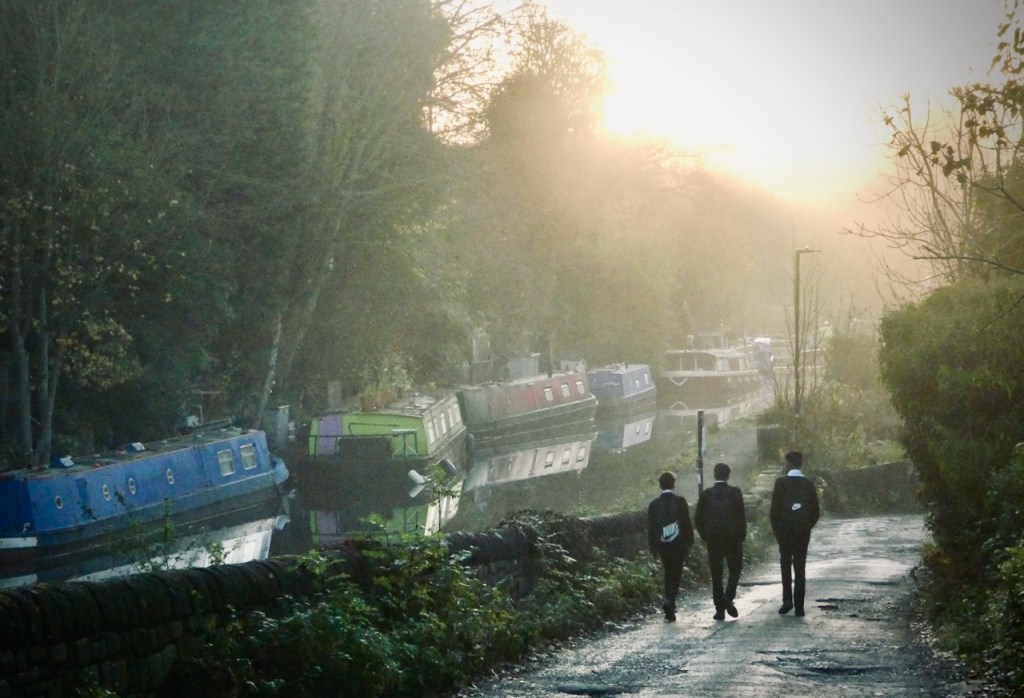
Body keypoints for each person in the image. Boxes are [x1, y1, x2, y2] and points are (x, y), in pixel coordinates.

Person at [770, 450, 821, 617]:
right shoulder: (808, 484)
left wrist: (777, 529)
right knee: (800, 567)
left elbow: (774, 510)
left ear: (789, 464)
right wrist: (806, 526)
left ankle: (787, 600)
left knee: (785, 564)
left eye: (785, 463)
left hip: (784, 531)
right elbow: (815, 512)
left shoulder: (780, 483)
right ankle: (800, 606)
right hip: (802, 531)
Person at [694, 462, 747, 621]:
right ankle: (728, 597)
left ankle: (719, 610)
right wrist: (741, 536)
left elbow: (698, 519)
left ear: (714, 475)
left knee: (716, 574)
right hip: (733, 538)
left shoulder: (706, 494)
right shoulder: (735, 493)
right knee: (735, 569)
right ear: (728, 475)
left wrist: (705, 536)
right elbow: (741, 517)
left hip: (714, 539)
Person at [647, 471, 694, 622]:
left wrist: (653, 547)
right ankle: (670, 601)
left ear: (660, 485)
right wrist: (689, 542)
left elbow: (651, 528)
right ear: (674, 484)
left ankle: (668, 599)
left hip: (662, 545)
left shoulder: (653, 505)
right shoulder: (680, 502)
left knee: (667, 572)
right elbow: (686, 524)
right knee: (676, 573)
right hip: (678, 544)